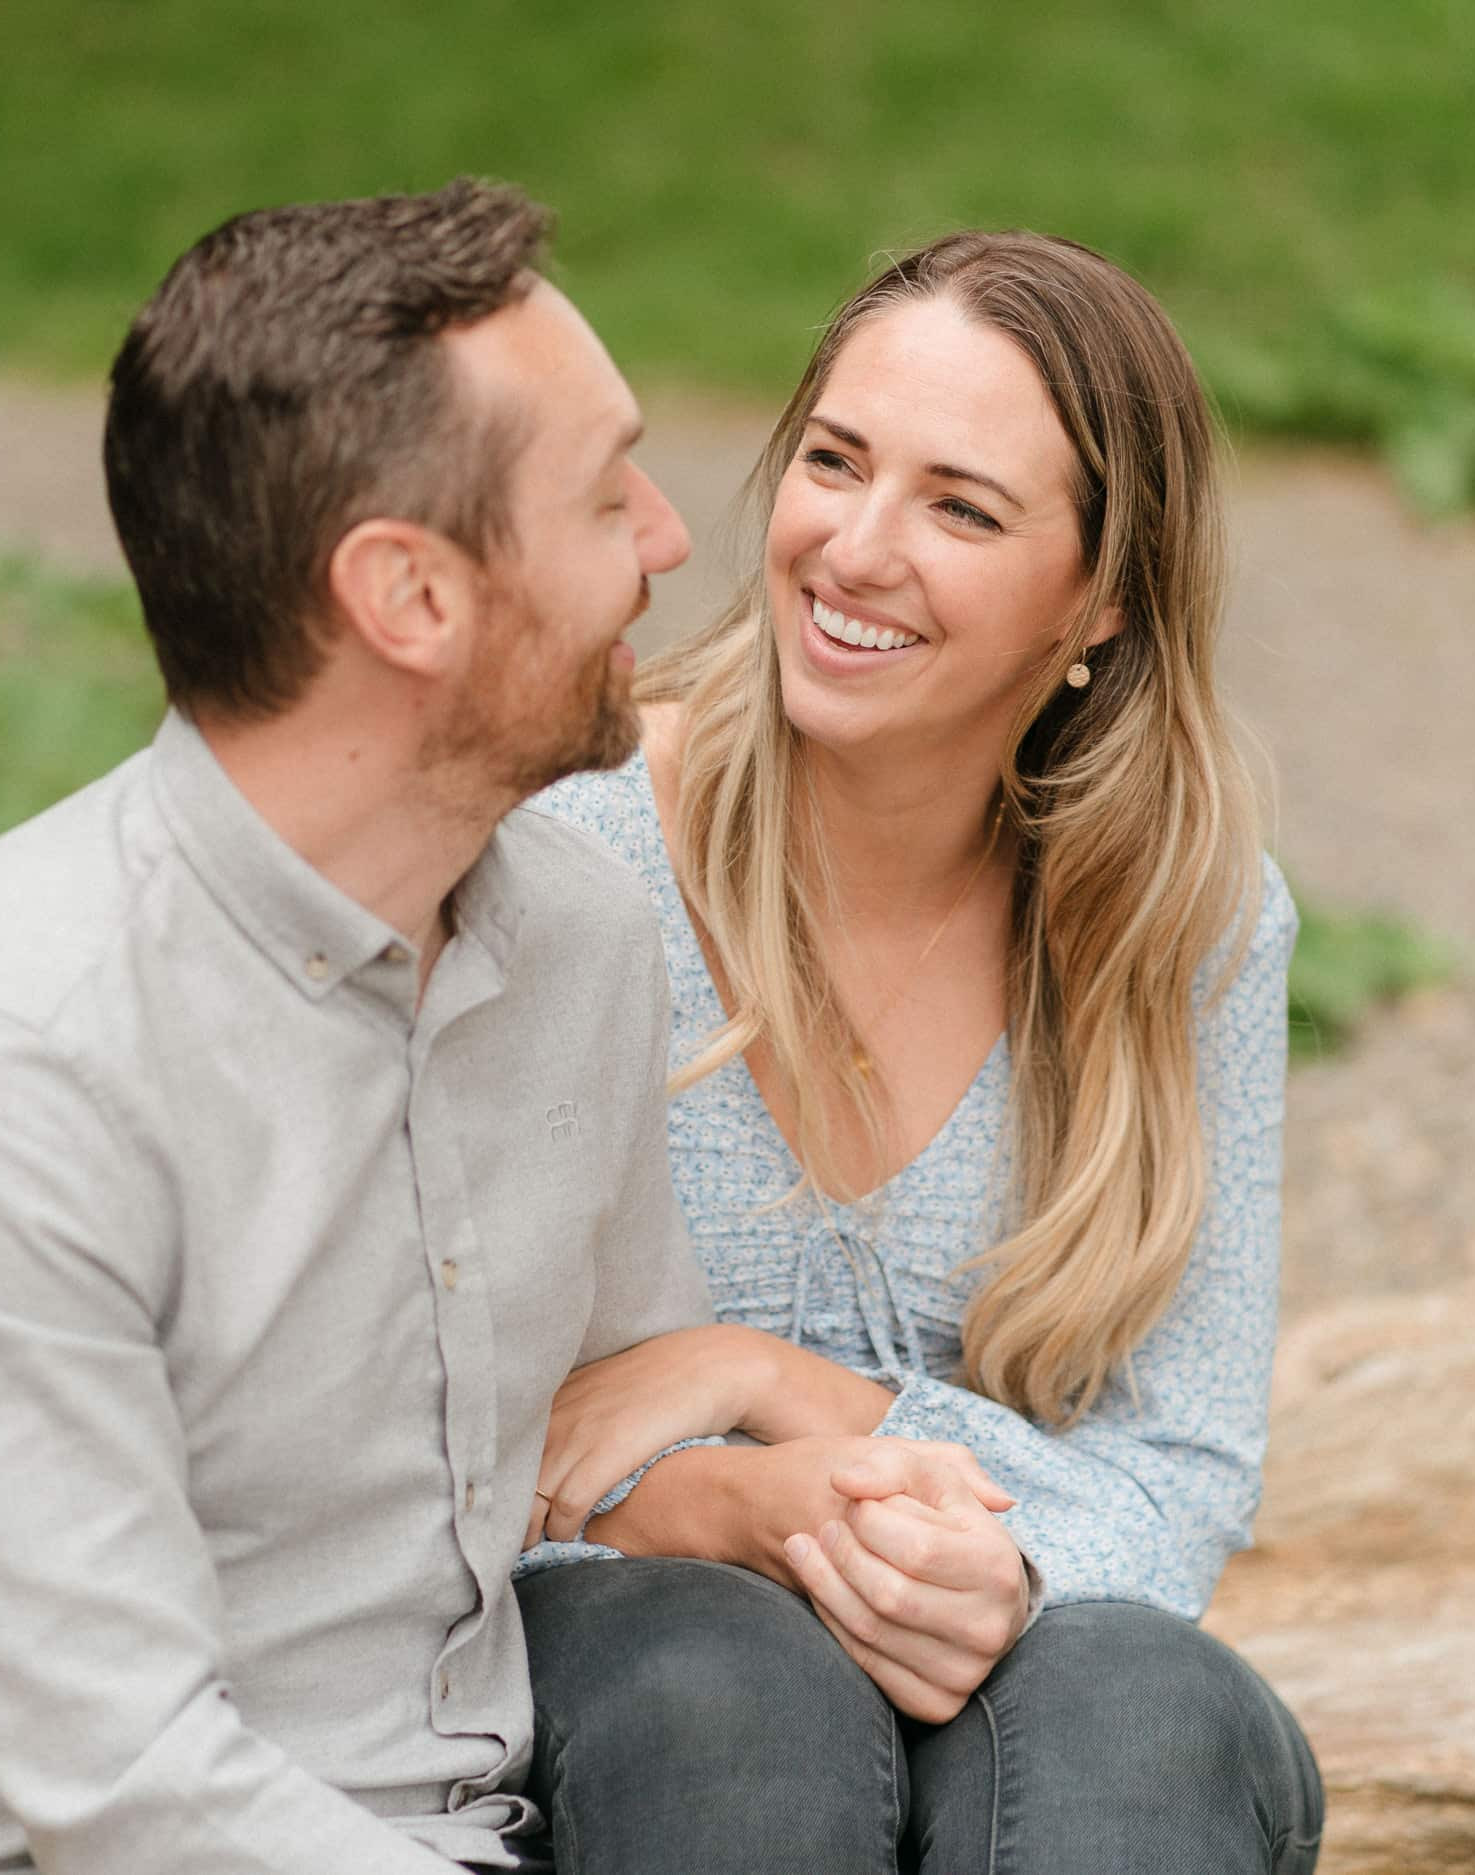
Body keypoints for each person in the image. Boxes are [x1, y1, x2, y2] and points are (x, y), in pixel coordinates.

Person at [0, 179, 715, 1874]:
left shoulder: (577, 936)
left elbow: (621, 1425)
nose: (668, 538)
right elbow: (127, 1786)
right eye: (603, 494)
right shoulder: (1, 1060)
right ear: (408, 599)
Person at [516, 231, 1325, 1873]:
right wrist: (731, 1511)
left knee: (1141, 1714)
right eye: (833, 462)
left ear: (1099, 598)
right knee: (730, 1704)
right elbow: (411, 1425)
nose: (854, 550)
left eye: (961, 507)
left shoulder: (1194, 922)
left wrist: (775, 1386)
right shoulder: (565, 870)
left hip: (1031, 1646)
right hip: (627, 1684)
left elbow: (1181, 1464)